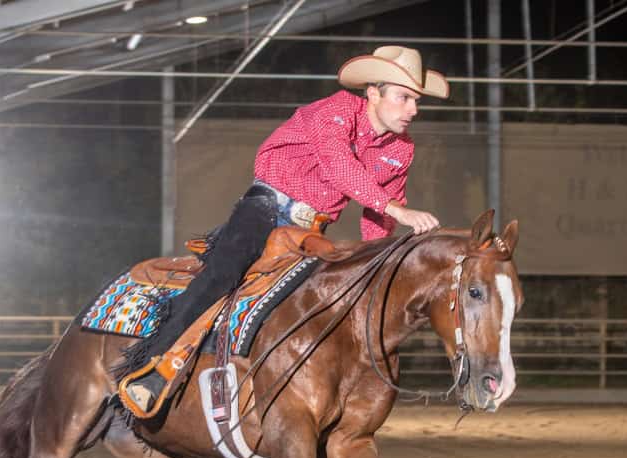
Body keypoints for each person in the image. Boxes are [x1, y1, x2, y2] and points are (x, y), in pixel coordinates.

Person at [122, 46, 449, 413]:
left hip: (312, 231)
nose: (413, 110)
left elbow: (378, 217)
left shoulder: (402, 149)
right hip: (266, 208)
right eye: (404, 98)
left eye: (417, 101)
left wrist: (379, 262)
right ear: (373, 94)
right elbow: (341, 167)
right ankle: (154, 368)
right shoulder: (335, 110)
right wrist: (396, 209)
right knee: (223, 274)